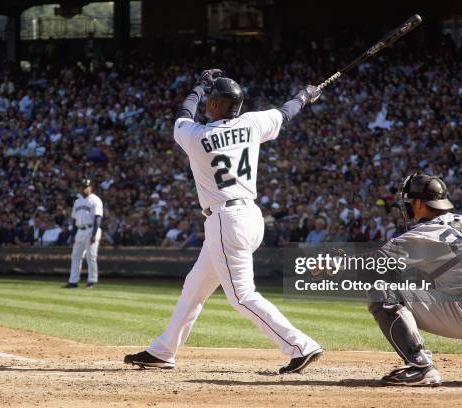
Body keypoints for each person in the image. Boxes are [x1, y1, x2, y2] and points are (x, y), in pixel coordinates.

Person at [124, 70, 323, 373]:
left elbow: (182, 115)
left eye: (211, 100)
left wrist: (198, 87)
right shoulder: (252, 122)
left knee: (242, 296)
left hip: (225, 220)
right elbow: (286, 112)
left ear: (217, 104)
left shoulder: (198, 136)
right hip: (250, 216)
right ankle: (163, 350)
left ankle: (300, 345)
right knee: (194, 286)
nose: (207, 104)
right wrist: (305, 96)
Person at [368, 172, 462, 386]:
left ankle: (420, 367)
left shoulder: (425, 232)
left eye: (408, 202)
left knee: (380, 291)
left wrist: (336, 263)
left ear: (419, 203)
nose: (406, 207)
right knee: (451, 290)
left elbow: (375, 262)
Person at [64, 178, 103, 289]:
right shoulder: (77, 201)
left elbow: (97, 218)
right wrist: (73, 234)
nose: (84, 188)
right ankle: (73, 281)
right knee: (75, 256)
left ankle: (92, 281)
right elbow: (74, 219)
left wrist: (94, 234)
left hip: (91, 229)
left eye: (86, 186)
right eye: (82, 186)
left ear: (91, 187)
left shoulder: (95, 200)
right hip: (79, 230)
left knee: (91, 257)